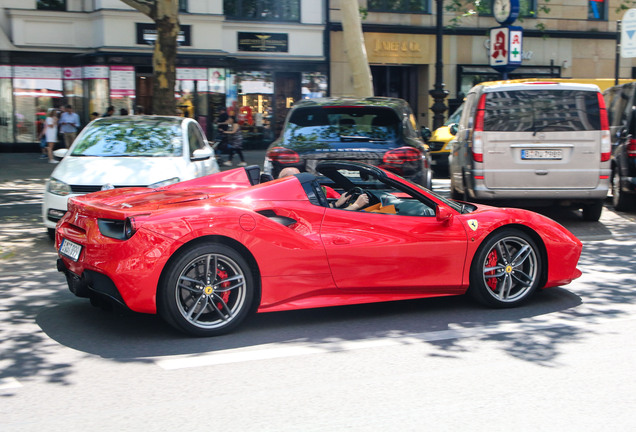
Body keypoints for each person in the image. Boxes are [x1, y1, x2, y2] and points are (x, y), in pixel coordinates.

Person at [278, 167, 369, 210]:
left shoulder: (290, 196)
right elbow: (330, 218)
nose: (299, 181)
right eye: (296, 179)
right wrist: (356, 205)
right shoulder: (290, 201)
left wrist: (336, 204)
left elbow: (318, 209)